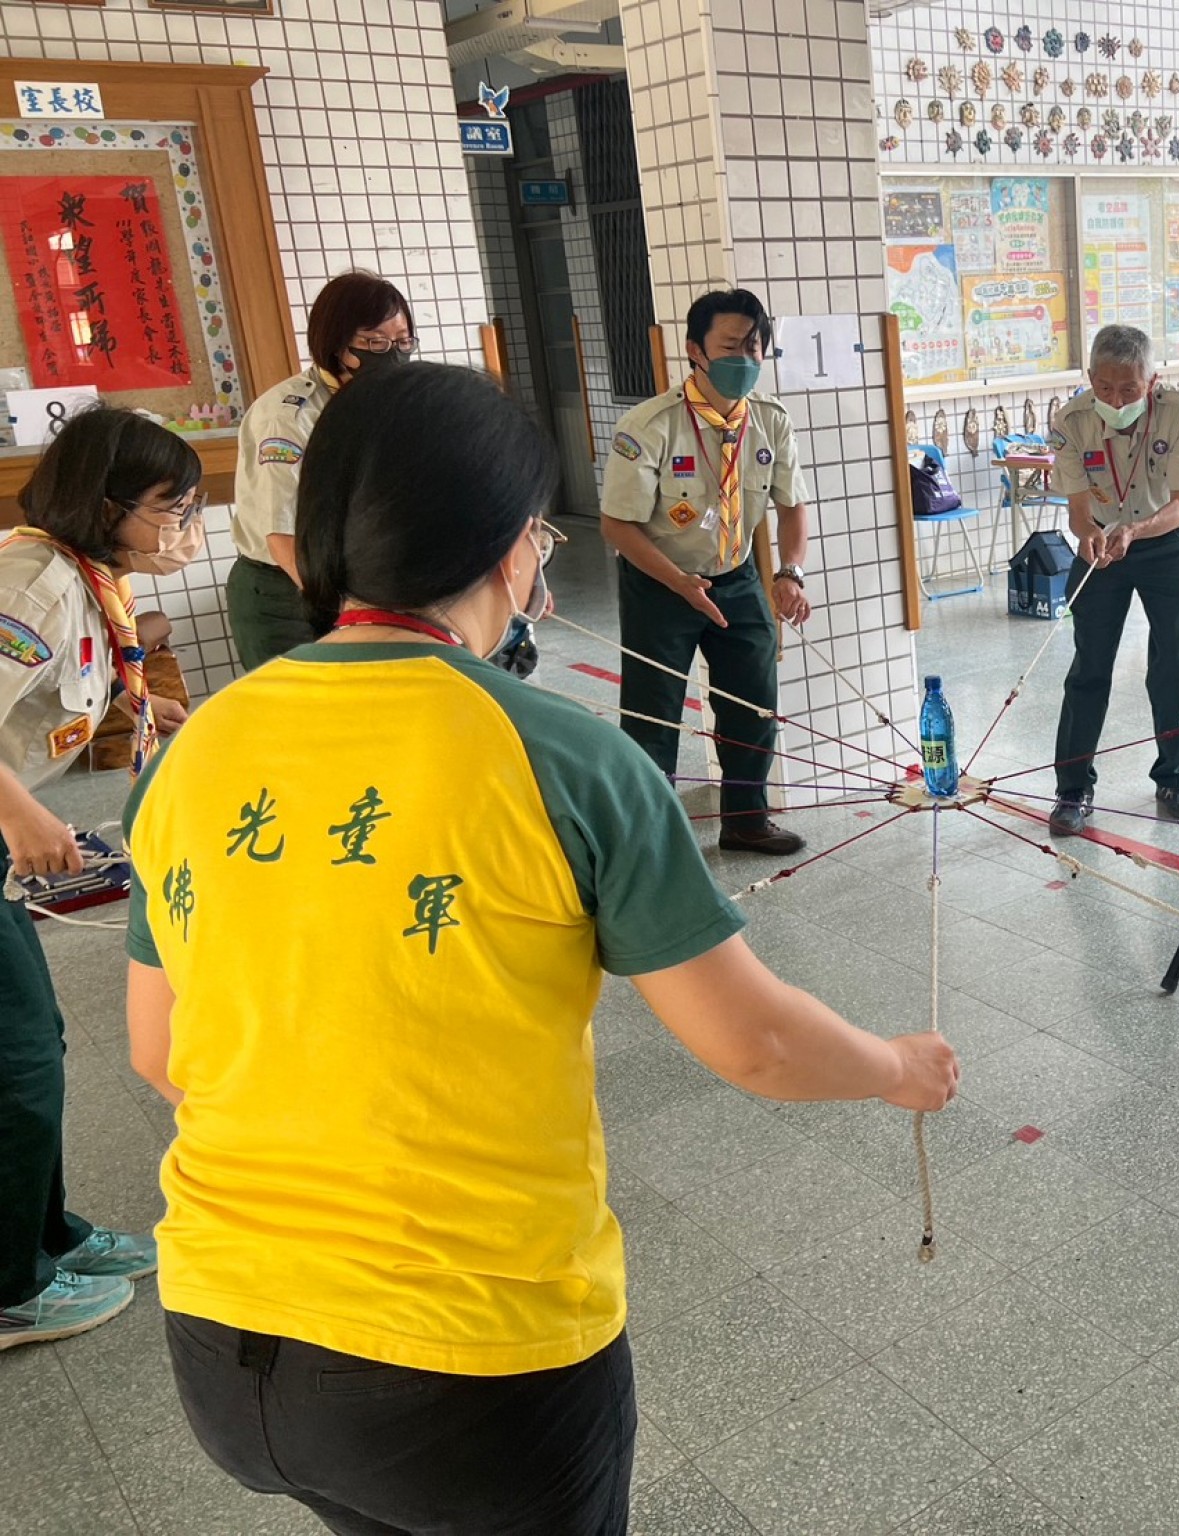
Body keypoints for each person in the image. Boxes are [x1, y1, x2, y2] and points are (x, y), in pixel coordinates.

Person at [122, 363, 958, 1535]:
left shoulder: (195, 750)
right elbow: (755, 1044)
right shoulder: (565, 756)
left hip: (221, 1343)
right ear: (513, 548)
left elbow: (158, 1052)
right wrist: (896, 1068)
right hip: (469, 1370)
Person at [0, 409, 204, 1349]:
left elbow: (65, 686)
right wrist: (23, 815)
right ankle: (11, 1288)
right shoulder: (33, 581)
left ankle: (47, 1238)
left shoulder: (89, 581)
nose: (183, 524)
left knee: (33, 1046)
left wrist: (147, 702)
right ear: (106, 502)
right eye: (171, 506)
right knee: (18, 1063)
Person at [601, 288, 812, 857]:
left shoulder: (769, 420)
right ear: (695, 350)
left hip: (736, 577)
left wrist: (789, 573)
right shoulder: (650, 425)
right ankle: (647, 840)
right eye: (730, 346)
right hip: (660, 583)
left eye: (754, 347)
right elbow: (617, 525)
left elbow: (793, 506)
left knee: (753, 704)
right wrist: (678, 583)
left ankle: (746, 821)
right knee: (653, 714)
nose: (744, 358)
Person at [1046, 323, 1179, 836]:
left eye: (1129, 389)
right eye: (1105, 387)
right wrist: (1089, 535)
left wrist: (1135, 531)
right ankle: (1073, 789)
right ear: (1090, 377)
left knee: (1173, 662)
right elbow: (1077, 510)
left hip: (1169, 541)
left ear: (1152, 381)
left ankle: (1176, 777)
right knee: (1090, 664)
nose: (1116, 400)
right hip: (1102, 542)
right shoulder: (1071, 421)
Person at [229, 270, 417, 670]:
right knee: (301, 703)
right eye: (375, 342)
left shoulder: (390, 402)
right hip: (286, 589)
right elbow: (282, 538)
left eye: (402, 341)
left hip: (355, 581)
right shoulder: (288, 417)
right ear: (337, 343)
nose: (391, 354)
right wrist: (349, 608)